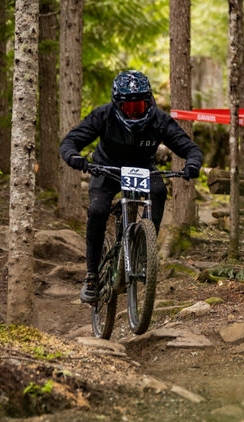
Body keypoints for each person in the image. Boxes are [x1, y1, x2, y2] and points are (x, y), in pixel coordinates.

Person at [59, 70, 203, 303]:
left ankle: (146, 247)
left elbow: (190, 148)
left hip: (143, 168)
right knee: (97, 211)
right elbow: (70, 141)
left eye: (139, 107)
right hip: (107, 169)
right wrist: (73, 156)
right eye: (129, 108)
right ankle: (92, 275)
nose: (135, 113)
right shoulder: (103, 115)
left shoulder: (159, 119)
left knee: (158, 192)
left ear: (148, 102)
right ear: (117, 104)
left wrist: (193, 164)